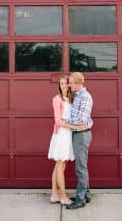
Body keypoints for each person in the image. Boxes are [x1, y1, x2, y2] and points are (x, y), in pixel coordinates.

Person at [48, 75, 87, 205]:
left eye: (66, 83)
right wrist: (75, 126)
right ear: (59, 86)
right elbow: (58, 121)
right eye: (62, 84)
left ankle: (54, 194)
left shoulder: (70, 99)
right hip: (61, 135)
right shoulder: (57, 99)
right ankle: (63, 196)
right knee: (60, 164)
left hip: (68, 135)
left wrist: (77, 125)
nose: (64, 86)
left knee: (60, 164)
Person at [65, 72, 93, 210]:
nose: (69, 85)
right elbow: (76, 118)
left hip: (81, 135)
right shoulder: (77, 96)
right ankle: (86, 194)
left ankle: (80, 199)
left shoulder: (85, 97)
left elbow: (80, 120)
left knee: (80, 168)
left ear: (77, 83)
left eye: (70, 82)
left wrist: (64, 121)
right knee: (82, 166)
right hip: (77, 133)